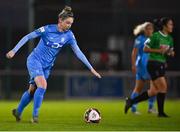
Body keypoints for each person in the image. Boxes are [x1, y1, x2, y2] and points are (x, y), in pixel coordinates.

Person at [6, 6, 101, 123]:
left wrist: (91, 68)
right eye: (67, 23)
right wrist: (14, 50)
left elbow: (78, 52)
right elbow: (28, 37)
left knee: (32, 91)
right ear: (60, 20)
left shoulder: (69, 35)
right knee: (42, 85)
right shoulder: (47, 29)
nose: (69, 25)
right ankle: (35, 117)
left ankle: (18, 111)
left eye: (71, 23)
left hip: (47, 66)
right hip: (34, 60)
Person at [125, 17, 175, 117]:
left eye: (151, 28)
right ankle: (156, 111)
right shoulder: (152, 37)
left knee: (154, 90)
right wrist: (133, 64)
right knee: (160, 87)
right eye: (170, 24)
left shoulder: (169, 38)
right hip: (149, 65)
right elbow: (142, 50)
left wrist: (169, 52)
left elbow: (170, 52)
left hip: (159, 64)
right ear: (164, 26)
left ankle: (132, 102)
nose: (172, 26)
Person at [130, 22, 156, 114]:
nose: (149, 30)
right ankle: (136, 107)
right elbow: (134, 53)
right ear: (144, 30)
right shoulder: (140, 39)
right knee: (140, 88)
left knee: (153, 88)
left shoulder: (154, 39)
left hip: (151, 65)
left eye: (151, 29)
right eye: (147, 29)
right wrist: (133, 65)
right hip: (143, 65)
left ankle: (148, 107)